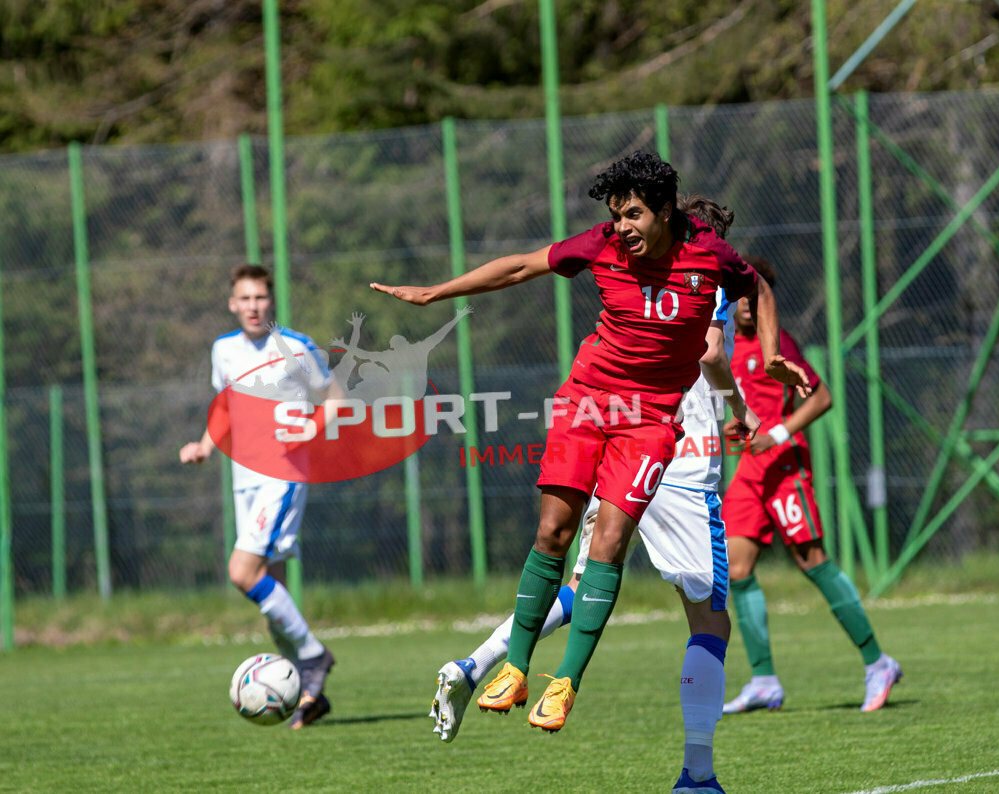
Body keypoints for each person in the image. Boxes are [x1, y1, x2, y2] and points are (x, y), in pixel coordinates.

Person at [372, 151, 809, 744]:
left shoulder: (708, 254)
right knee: (553, 530)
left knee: (609, 542)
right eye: (615, 215)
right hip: (586, 399)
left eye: (632, 214)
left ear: (663, 212)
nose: (621, 227)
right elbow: (521, 267)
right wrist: (435, 294)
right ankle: (513, 670)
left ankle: (566, 682)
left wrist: (773, 351)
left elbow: (752, 282)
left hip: (650, 419)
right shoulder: (601, 244)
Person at [428, 196, 763, 794]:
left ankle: (477, 665)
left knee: (580, 580)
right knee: (709, 622)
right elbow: (712, 349)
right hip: (679, 457)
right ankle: (698, 774)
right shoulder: (705, 267)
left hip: (614, 434)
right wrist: (738, 403)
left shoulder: (629, 262)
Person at [721, 255, 902, 715]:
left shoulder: (776, 343)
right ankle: (763, 680)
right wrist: (735, 429)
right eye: (736, 292)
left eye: (752, 293)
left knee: (812, 560)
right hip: (748, 470)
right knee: (736, 569)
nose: (744, 302)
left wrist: (777, 433)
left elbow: (821, 396)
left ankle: (877, 662)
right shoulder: (723, 347)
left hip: (783, 466)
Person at [179, 264, 336, 729]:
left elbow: (335, 397)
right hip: (243, 479)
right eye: (244, 299)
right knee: (274, 591)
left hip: (283, 475)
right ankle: (311, 695)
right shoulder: (223, 349)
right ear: (232, 303)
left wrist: (312, 427)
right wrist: (205, 446)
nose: (253, 306)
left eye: (261, 298)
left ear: (273, 301)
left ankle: (313, 657)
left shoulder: (296, 346)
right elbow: (225, 405)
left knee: (242, 571)